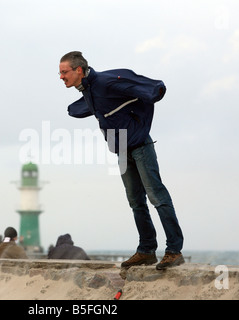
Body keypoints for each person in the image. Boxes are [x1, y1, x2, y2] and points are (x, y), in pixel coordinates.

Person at [59, 51, 184, 270]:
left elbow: (130, 81)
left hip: (140, 145)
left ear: (78, 70)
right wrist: (73, 110)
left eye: (64, 72)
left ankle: (174, 250)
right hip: (122, 149)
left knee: (157, 196)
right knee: (136, 202)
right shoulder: (88, 90)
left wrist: (156, 90)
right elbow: (96, 106)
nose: (61, 77)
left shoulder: (106, 81)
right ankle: (146, 250)